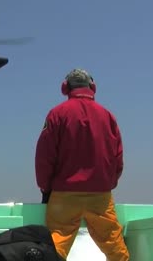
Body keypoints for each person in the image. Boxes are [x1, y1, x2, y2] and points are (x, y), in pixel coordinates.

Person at [34, 69, 130, 261]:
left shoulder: (57, 114)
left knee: (56, 246)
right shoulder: (108, 116)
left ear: (65, 88)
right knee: (115, 247)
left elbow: (44, 156)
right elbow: (118, 157)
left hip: (64, 196)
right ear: (92, 87)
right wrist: (108, 183)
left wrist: (46, 187)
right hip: (100, 197)